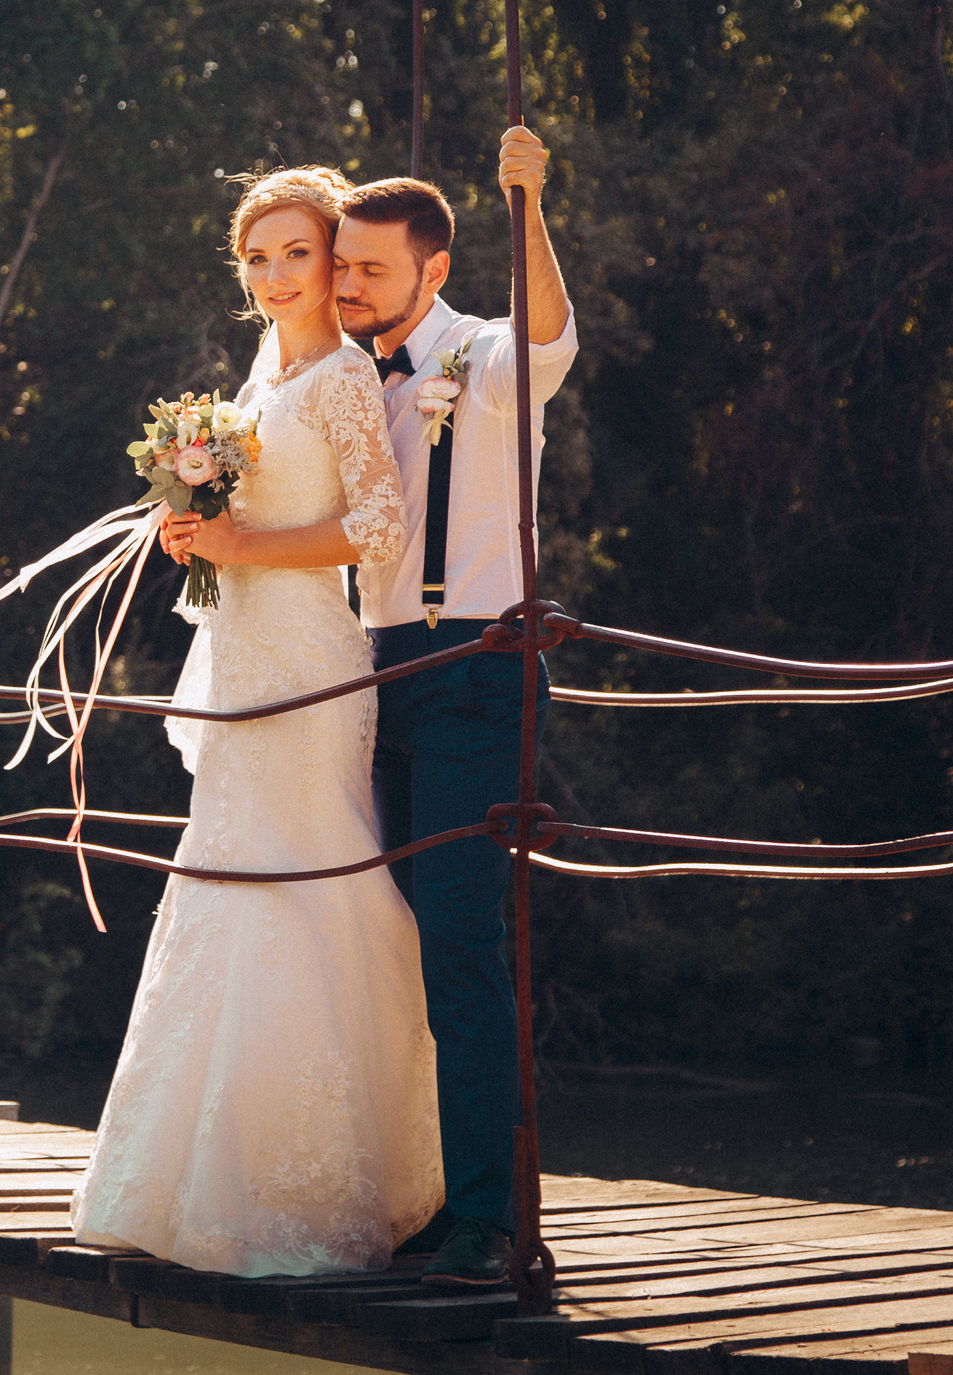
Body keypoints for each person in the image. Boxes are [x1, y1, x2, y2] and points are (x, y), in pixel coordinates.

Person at [66, 166, 443, 1277]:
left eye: (295, 254)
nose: (274, 276)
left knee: (309, 878)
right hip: (239, 658)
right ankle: (190, 1184)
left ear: (334, 263)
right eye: (256, 257)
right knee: (225, 876)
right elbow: (249, 513)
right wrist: (196, 531)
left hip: (308, 664)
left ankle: (326, 1188)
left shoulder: (337, 377)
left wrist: (240, 547)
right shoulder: (263, 373)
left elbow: (376, 526)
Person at [329, 128, 578, 1287]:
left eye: (367, 270)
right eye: (341, 268)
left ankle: (487, 1217)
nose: (345, 287)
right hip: (372, 669)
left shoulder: (482, 354)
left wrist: (525, 203)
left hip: (475, 668)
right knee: (382, 942)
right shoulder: (341, 373)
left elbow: (547, 332)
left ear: (432, 269)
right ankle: (426, 1196)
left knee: (462, 947)